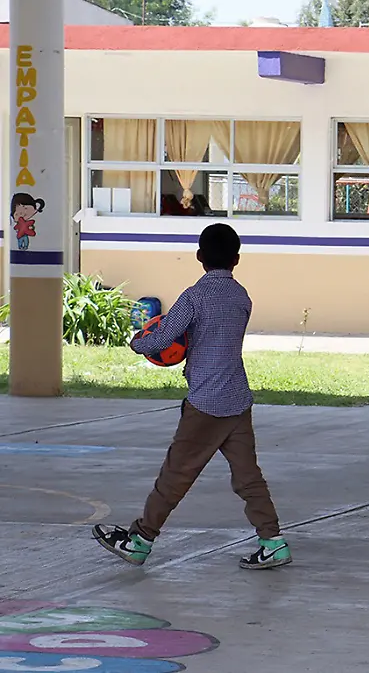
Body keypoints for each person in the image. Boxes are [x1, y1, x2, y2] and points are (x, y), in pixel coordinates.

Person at [91, 223, 291, 571]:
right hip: (237, 400)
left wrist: (137, 342)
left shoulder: (194, 297)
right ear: (236, 259)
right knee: (248, 477)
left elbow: (162, 339)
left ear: (199, 257)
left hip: (206, 404)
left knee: (176, 474)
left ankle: (140, 540)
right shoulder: (242, 297)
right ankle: (273, 542)